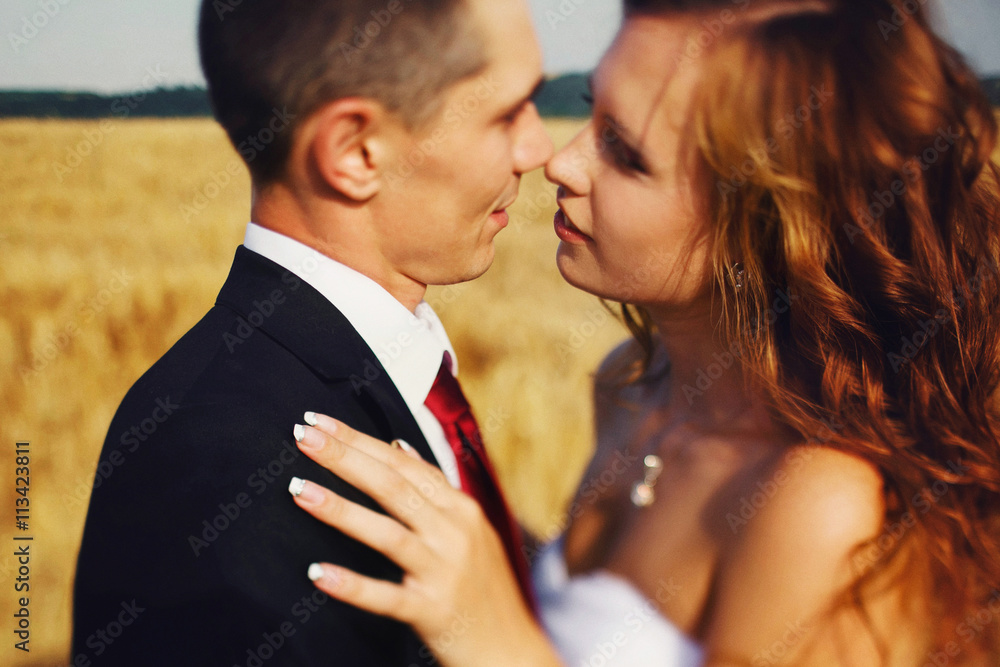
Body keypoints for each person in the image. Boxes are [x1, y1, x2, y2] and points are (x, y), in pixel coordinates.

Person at [286, 0, 1000, 664]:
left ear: (769, 221)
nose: (560, 162)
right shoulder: (633, 383)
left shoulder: (820, 503)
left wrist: (496, 637)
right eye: (594, 114)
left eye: (627, 154)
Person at [71, 0, 551, 663]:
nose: (541, 147)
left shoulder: (387, 378)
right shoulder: (220, 475)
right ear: (355, 152)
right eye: (507, 114)